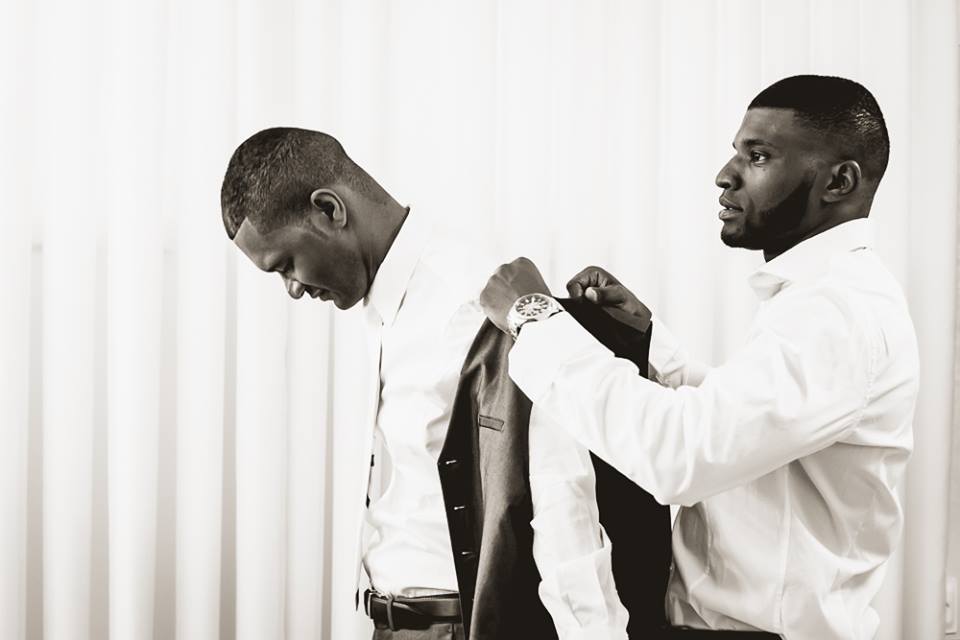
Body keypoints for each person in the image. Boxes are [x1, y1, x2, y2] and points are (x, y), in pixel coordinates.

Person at [479, 75, 919, 640]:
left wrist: (534, 315)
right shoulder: (824, 298)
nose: (725, 175)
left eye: (758, 156)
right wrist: (649, 341)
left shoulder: (837, 312)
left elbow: (680, 456)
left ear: (839, 181)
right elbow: (745, 431)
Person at [219, 128, 636, 639]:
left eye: (285, 265)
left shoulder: (477, 302)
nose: (292, 289)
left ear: (329, 210)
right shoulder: (371, 306)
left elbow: (563, 497)